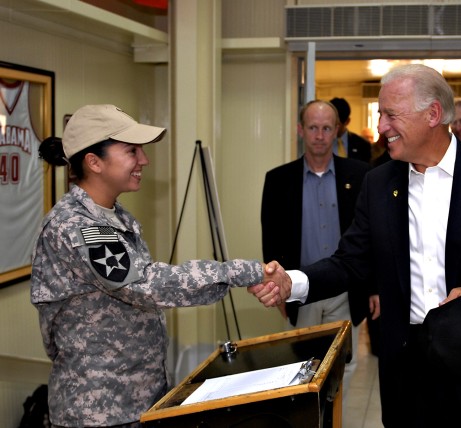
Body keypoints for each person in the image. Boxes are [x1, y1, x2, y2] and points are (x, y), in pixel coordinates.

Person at [249, 64, 461, 427]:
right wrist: (294, 282)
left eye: (390, 114)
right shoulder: (379, 184)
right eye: (381, 114)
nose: (380, 126)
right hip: (407, 372)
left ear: (433, 114)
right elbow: (350, 261)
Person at [31, 104, 289, 428]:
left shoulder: (115, 216)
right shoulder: (75, 227)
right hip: (98, 412)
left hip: (139, 401)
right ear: (94, 161)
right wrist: (243, 271)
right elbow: (148, 286)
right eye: (131, 151)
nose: (144, 160)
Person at [261, 100, 374, 407]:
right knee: (303, 368)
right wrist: (277, 289)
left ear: (336, 130)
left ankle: (333, 419)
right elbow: (270, 240)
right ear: (301, 130)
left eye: (327, 128)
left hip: (346, 291)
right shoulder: (278, 180)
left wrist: (374, 288)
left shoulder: (362, 175)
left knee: (344, 366)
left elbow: (373, 238)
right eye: (313, 128)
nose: (320, 135)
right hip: (300, 290)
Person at [329, 97, 371, 163]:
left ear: (347, 121)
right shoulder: (322, 142)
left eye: (337, 124)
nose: (332, 127)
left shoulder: (362, 145)